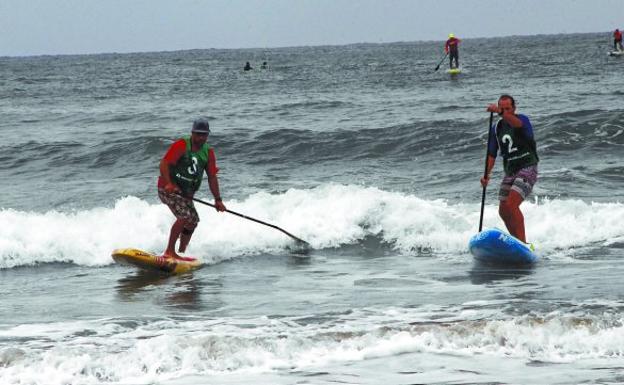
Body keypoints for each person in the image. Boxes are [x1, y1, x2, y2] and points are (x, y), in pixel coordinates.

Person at [157, 118, 226, 258]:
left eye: (204, 135)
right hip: (168, 188)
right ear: (192, 133)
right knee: (184, 216)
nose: (201, 137)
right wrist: (170, 184)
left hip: (186, 194)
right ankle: (169, 251)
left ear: (208, 135)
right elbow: (164, 163)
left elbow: (212, 177)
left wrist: (218, 200)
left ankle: (181, 252)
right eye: (198, 134)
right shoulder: (182, 145)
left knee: (193, 221)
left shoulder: (208, 152)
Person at [481, 95, 539, 244]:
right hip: (511, 171)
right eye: (502, 108)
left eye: (508, 108)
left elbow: (517, 124)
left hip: (527, 166)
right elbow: (492, 155)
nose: (505, 111)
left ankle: (523, 244)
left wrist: (500, 113)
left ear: (514, 109)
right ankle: (516, 243)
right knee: (504, 210)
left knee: (512, 205)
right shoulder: (496, 129)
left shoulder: (522, 119)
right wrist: (486, 175)